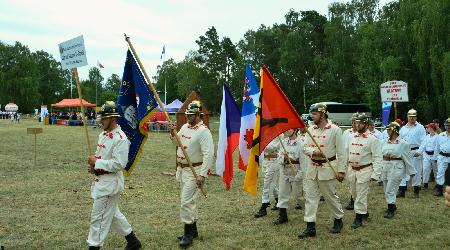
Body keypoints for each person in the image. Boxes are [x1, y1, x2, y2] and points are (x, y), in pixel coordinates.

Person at [86, 101, 142, 250]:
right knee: (113, 215)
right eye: (101, 118)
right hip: (101, 181)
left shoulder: (120, 139)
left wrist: (97, 163)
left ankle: (94, 246)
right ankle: (133, 241)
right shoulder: (103, 134)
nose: (101, 121)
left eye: (104, 118)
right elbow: (102, 158)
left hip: (109, 185)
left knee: (98, 218)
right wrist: (94, 167)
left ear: (113, 119)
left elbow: (119, 164)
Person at [169, 100, 214, 248]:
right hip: (183, 170)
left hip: (194, 171)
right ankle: (193, 230)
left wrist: (202, 175)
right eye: (187, 114)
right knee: (190, 201)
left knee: (186, 201)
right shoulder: (184, 127)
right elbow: (177, 143)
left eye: (190, 114)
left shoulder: (204, 131)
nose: (187, 116)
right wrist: (172, 132)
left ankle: (187, 233)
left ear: (197, 115)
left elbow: (208, 154)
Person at [298, 103, 346, 239]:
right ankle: (310, 226)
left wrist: (341, 171)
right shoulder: (310, 130)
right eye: (311, 114)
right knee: (310, 198)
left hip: (328, 168)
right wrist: (314, 152)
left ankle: (338, 220)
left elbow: (341, 153)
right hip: (312, 168)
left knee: (330, 197)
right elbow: (304, 147)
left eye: (314, 114)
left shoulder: (335, 130)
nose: (312, 116)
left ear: (323, 114)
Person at [344, 113, 382, 229]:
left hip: (364, 170)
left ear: (366, 124)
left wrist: (376, 173)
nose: (358, 125)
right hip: (351, 170)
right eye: (356, 123)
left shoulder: (373, 139)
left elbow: (377, 157)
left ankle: (358, 218)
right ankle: (364, 212)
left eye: (360, 123)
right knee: (354, 194)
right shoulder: (351, 137)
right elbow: (346, 152)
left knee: (361, 195)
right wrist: (342, 168)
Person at [381, 122, 416, 218]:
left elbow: (407, 158)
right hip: (385, 167)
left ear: (395, 131)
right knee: (385, 189)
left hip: (396, 168)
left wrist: (412, 172)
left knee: (390, 190)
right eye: (387, 130)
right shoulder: (384, 142)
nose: (387, 132)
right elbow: (381, 155)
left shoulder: (403, 144)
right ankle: (392, 204)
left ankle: (390, 209)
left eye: (389, 130)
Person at [273, 129, 305, 225]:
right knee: (282, 193)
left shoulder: (301, 143)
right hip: (284, 171)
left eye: (290, 129)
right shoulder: (283, 142)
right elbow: (279, 157)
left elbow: (304, 161)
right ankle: (282, 216)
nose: (287, 131)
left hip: (296, 171)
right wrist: (284, 158)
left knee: (298, 196)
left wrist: (300, 174)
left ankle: (310, 212)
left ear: (295, 130)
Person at [398, 109, 426, 198]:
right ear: (407, 117)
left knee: (416, 171)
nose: (412, 118)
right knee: (402, 170)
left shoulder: (420, 127)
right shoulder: (403, 128)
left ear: (416, 117)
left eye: (413, 116)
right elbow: (399, 140)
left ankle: (416, 191)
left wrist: (420, 151)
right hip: (405, 152)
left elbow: (424, 141)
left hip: (416, 151)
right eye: (410, 116)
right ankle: (402, 190)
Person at [254, 136, 282, 218]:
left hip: (274, 162)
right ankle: (278, 200)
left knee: (267, 184)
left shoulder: (279, 134)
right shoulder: (266, 133)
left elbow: (271, 147)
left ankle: (264, 207)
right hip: (266, 161)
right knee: (271, 184)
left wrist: (260, 142)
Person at [342, 112, 359, 211]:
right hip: (348, 160)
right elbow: (343, 147)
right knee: (350, 182)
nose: (354, 124)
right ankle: (352, 199)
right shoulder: (347, 132)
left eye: (356, 122)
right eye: (353, 122)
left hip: (358, 161)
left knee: (359, 183)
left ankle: (357, 200)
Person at [414, 123, 439, 189]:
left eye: (428, 127)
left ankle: (438, 184)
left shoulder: (438, 137)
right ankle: (425, 183)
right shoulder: (427, 136)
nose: (427, 129)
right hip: (426, 155)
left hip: (434, 155)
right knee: (425, 169)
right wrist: (418, 152)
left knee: (436, 170)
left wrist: (435, 157)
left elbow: (437, 148)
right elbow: (423, 145)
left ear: (431, 128)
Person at [434, 118, 450, 196]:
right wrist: (435, 157)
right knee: (440, 172)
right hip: (442, 156)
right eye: (447, 125)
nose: (448, 127)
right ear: (444, 125)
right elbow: (437, 147)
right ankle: (439, 189)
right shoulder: (440, 135)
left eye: (449, 125)